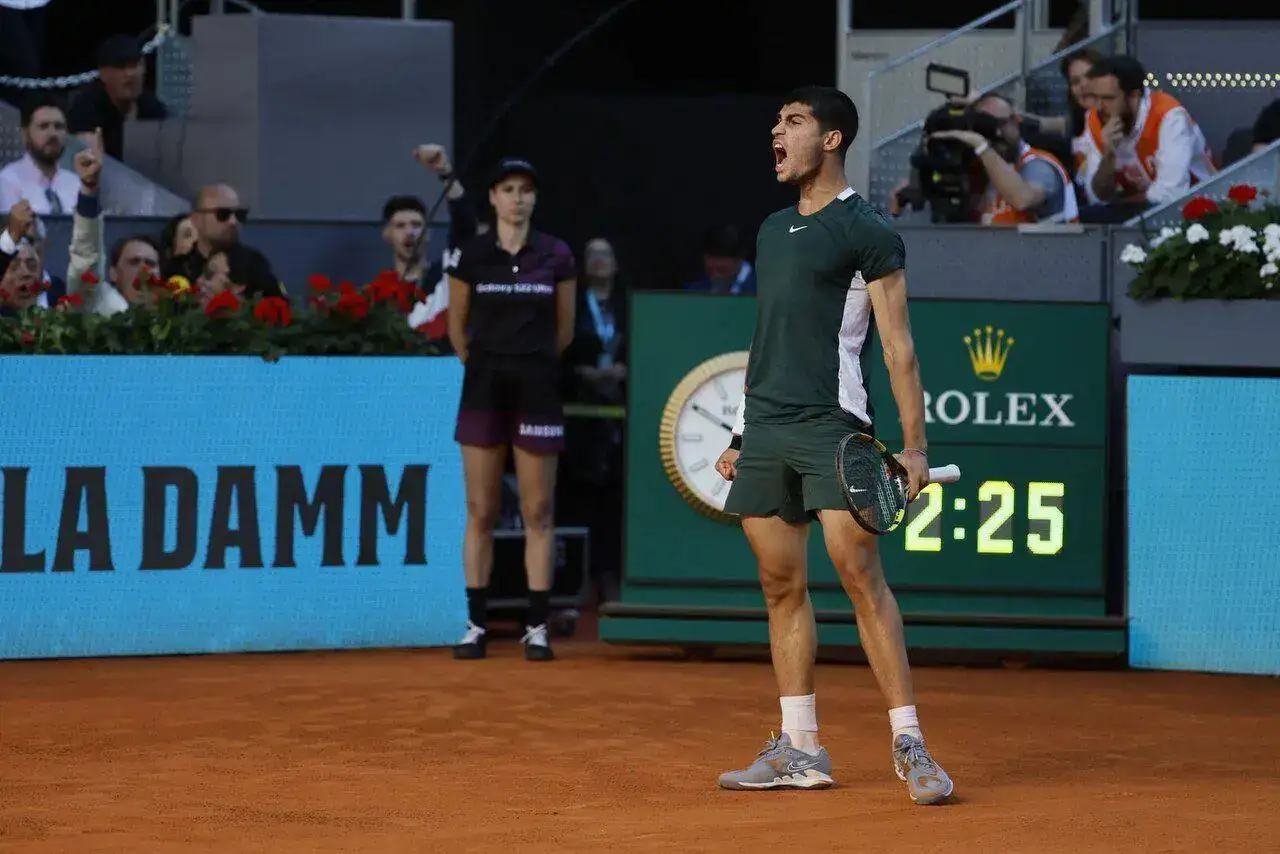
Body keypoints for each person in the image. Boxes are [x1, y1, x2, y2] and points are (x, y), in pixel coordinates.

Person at [714, 86, 953, 805]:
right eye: (775, 121)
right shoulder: (770, 229)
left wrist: (914, 448)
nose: (776, 133)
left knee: (859, 576)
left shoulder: (867, 230)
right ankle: (801, 748)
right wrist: (743, 429)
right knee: (779, 584)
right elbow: (766, 338)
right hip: (767, 427)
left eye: (793, 122)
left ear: (832, 139)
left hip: (832, 423)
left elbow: (899, 346)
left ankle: (911, 743)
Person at [446, 158, 577, 662]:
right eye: (508, 189)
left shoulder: (556, 254)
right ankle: (475, 625)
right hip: (483, 388)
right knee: (480, 510)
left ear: (534, 198)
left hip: (537, 389)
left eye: (525, 190)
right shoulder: (471, 253)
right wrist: (489, 363)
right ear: (493, 197)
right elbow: (457, 328)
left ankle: (537, 627)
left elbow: (564, 330)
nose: (517, 198)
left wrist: (530, 363)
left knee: (537, 511)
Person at [929, 93, 1077, 225]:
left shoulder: (1038, 164)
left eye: (1002, 123)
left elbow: (1023, 199)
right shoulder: (979, 168)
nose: (998, 133)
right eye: (987, 126)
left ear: (1017, 120)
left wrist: (982, 147)